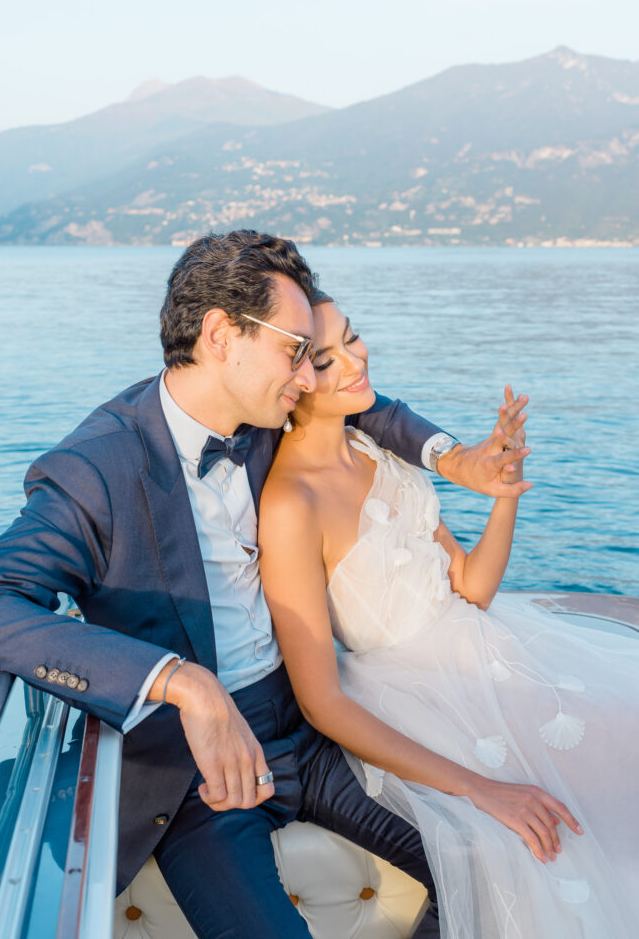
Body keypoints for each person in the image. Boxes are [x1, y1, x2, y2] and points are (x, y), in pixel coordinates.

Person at [0, 231, 532, 939]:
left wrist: (455, 458)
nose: (309, 374)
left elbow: (367, 404)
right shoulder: (97, 470)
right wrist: (180, 681)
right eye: (295, 350)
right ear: (222, 334)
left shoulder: (269, 412)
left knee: (487, 862)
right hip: (197, 775)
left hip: (313, 726)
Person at [258, 293, 639, 938]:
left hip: (487, 649)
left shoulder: (376, 452)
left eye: (352, 339)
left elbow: (471, 586)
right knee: (546, 830)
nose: (355, 360)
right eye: (326, 359)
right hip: (415, 695)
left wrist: (506, 489)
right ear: (291, 383)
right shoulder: (292, 503)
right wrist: (476, 790)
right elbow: (320, 701)